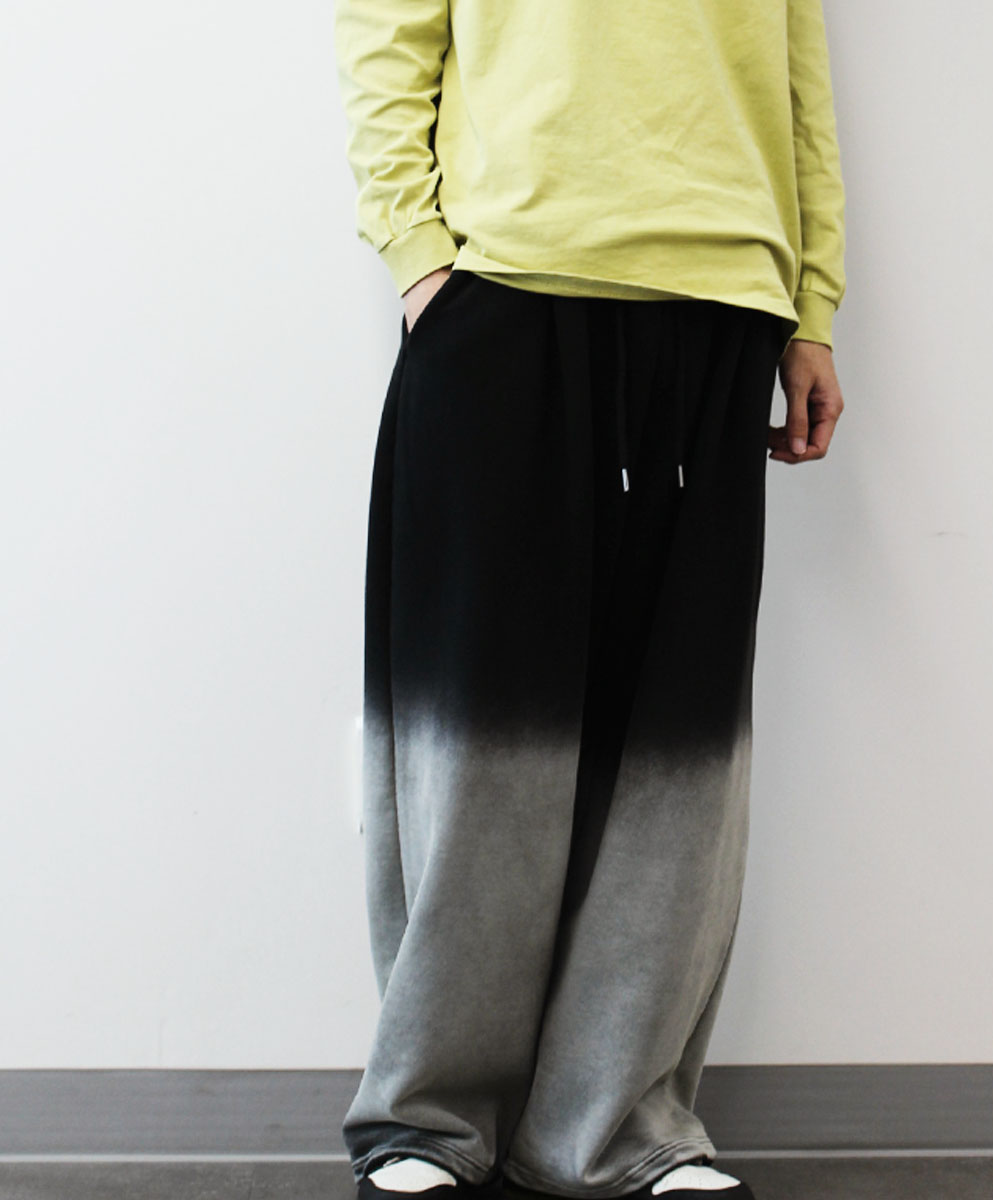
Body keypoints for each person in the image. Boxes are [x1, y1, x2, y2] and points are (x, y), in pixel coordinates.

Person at [331, 0, 847, 1198]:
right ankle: (428, 1121)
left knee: (677, 752)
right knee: (480, 742)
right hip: (508, 277)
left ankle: (617, 1126)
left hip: (722, 290)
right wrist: (418, 255)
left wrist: (812, 304)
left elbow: (798, 69)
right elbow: (385, 31)